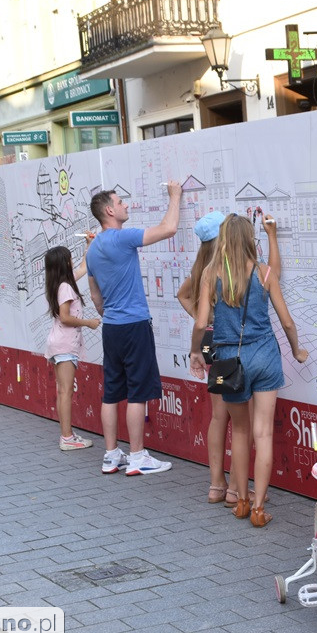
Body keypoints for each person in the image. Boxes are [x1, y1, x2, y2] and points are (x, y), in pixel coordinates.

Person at [189, 214, 307, 527]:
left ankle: (240, 501)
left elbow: (201, 323)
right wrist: (296, 350)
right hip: (265, 355)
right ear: (249, 239)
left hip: (228, 360)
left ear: (224, 239)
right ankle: (258, 508)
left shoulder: (211, 274)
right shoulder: (265, 272)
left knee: (239, 432)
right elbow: (286, 321)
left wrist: (195, 351)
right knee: (263, 432)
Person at [177, 212, 282, 506]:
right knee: (244, 423)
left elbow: (183, 295)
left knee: (220, 416)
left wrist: (208, 320)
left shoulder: (205, 267)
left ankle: (216, 485)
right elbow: (274, 274)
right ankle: (237, 490)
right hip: (234, 343)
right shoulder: (229, 266)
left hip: (217, 343)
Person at [86, 181, 182, 476]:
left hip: (112, 328)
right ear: (109, 210)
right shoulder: (121, 238)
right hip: (133, 325)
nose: (126, 205)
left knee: (112, 393)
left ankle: (111, 454)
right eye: (121, 201)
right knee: (137, 392)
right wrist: (175, 196)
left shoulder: (92, 249)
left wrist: (109, 313)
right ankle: (138, 456)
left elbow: (94, 296)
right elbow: (168, 229)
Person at [43, 243, 100, 451]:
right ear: (63, 263)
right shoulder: (66, 286)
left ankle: (66, 435)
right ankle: (67, 437)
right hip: (65, 344)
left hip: (58, 342)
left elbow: (84, 267)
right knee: (66, 392)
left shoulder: (60, 283)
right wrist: (89, 323)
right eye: (68, 258)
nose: (72, 261)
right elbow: (66, 317)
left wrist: (89, 246)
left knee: (62, 391)